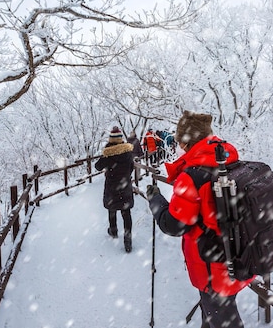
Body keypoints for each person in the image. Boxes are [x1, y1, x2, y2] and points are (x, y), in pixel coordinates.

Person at [146, 111, 253, 328]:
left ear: (185, 143)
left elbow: (174, 225)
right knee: (216, 314)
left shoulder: (193, 176)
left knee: (224, 319)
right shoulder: (229, 161)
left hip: (213, 267)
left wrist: (155, 200)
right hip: (237, 255)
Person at [95, 126, 136, 253]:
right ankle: (127, 239)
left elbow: (97, 166)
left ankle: (113, 230)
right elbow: (131, 168)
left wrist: (106, 153)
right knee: (126, 212)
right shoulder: (128, 153)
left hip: (112, 187)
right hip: (125, 186)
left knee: (112, 209)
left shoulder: (108, 154)